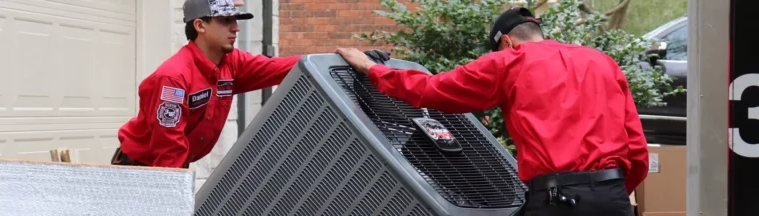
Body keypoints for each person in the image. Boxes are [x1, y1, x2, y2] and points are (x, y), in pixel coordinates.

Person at [336, 7, 648, 216]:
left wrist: (372, 68)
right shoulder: (600, 62)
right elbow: (635, 145)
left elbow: (432, 90)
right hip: (612, 196)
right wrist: (611, 194)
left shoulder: (510, 61)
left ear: (508, 42)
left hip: (557, 199)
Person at [111, 0, 302, 169]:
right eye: (225, 21)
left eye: (235, 20)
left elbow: (280, 67)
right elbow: (168, 146)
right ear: (200, 25)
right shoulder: (174, 77)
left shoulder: (232, 62)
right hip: (142, 169)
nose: (236, 28)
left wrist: (329, 59)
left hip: (171, 166)